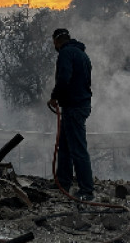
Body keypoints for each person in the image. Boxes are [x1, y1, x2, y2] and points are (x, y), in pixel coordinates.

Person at [47, 27, 94, 200]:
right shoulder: (82, 55)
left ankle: (87, 190)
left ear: (57, 41)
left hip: (74, 107)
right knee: (65, 147)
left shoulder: (65, 54)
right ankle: (63, 182)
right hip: (79, 105)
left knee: (78, 149)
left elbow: (64, 78)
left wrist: (54, 97)